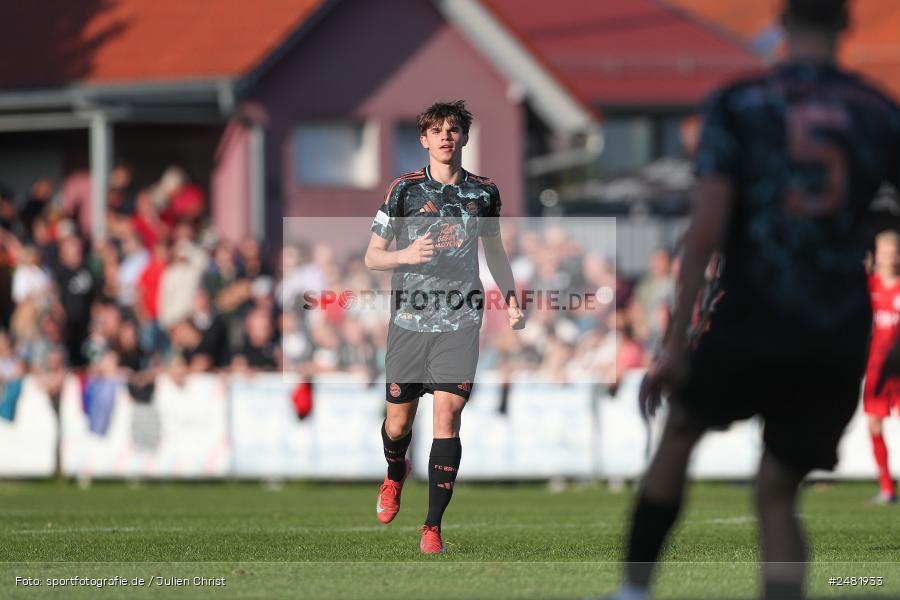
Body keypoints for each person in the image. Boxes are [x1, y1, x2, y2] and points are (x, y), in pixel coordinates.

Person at [606, 1, 900, 599]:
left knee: (681, 431)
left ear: (782, 23)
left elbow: (706, 227)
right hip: (839, 324)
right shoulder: (879, 112)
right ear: (844, 26)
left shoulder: (741, 103)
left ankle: (634, 591)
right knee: (777, 489)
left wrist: (676, 344)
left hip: (758, 309)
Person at [364, 100, 524, 554]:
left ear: (464, 138)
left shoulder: (484, 192)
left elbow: (493, 251)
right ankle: (396, 473)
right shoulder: (403, 190)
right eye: (436, 130)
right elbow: (372, 256)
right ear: (424, 139)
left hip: (461, 318)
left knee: (447, 416)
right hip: (409, 321)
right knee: (398, 423)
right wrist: (404, 256)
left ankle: (432, 527)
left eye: (453, 130)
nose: (445, 137)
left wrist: (510, 295)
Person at [863, 231, 900, 504]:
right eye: (885, 252)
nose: (890, 258)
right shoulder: (870, 285)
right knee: (874, 425)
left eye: (894, 252)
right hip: (877, 367)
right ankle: (887, 489)